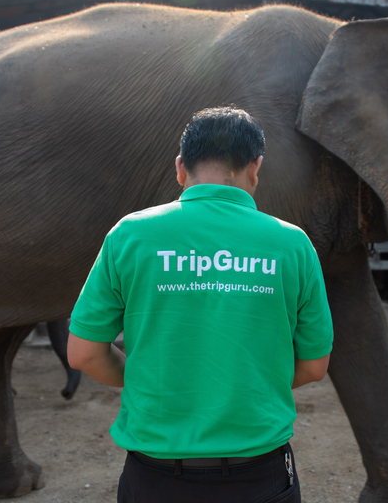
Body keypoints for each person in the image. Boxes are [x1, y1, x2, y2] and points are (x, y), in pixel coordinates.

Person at [67, 106, 333, 503]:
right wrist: (243, 384)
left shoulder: (131, 235)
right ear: (256, 167)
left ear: (180, 168)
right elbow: (314, 365)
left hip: (155, 476)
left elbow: (84, 353)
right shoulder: (292, 244)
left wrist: (152, 381)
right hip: (259, 473)